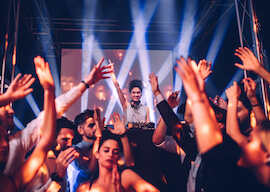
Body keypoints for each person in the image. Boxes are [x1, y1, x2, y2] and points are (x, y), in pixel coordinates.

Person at [2, 56, 113, 176]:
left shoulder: (15, 144)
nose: (12, 111)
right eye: (4, 106)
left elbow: (54, 110)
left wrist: (85, 83)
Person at [174, 56, 270, 192]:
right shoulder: (247, 176)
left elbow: (226, 138)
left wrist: (198, 94)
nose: (242, 142)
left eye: (249, 140)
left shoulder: (241, 176)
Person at [0, 54, 56, 191]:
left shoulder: (8, 183)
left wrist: (49, 90)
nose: (4, 144)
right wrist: (6, 99)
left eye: (6, 138)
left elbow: (45, 141)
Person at [69, 110, 135, 192]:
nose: (96, 128)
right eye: (91, 125)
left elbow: (129, 163)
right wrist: (98, 137)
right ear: (80, 130)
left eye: (97, 124)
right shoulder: (75, 150)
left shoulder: (105, 148)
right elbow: (90, 169)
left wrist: (123, 136)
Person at [76, 130, 159, 192]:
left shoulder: (126, 177)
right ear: (97, 154)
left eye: (115, 152)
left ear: (118, 156)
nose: (110, 154)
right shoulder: (85, 188)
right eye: (106, 150)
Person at [25, 116, 77, 192]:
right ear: (52, 138)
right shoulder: (37, 162)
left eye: (71, 140)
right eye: (65, 139)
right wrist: (57, 176)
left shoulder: (64, 160)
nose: (70, 144)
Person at [110, 60, 149, 124]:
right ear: (130, 94)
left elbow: (148, 125)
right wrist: (112, 73)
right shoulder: (126, 105)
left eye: (138, 92)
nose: (136, 95)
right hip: (128, 133)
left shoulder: (145, 108)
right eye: (133, 92)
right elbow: (117, 87)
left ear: (141, 94)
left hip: (142, 133)